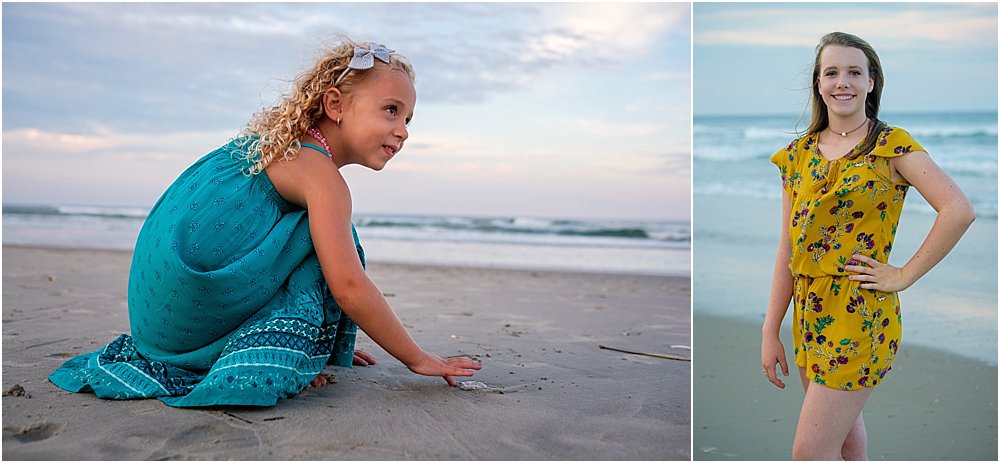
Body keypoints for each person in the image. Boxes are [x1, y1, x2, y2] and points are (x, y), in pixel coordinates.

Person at [49, 39, 482, 407]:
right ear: (335, 104)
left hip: (159, 320)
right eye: (391, 110)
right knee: (331, 243)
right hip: (190, 325)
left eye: (408, 119)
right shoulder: (322, 178)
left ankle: (302, 343)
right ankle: (283, 353)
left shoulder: (267, 147)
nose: (403, 130)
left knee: (313, 232)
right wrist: (417, 358)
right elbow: (349, 287)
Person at [761, 32, 975, 460]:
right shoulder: (797, 156)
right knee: (844, 437)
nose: (843, 81)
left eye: (854, 72)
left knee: (809, 451)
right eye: (832, 72)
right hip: (810, 313)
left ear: (871, 82)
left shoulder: (891, 145)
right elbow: (789, 247)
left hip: (860, 313)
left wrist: (903, 274)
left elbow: (958, 209)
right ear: (819, 84)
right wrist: (771, 329)